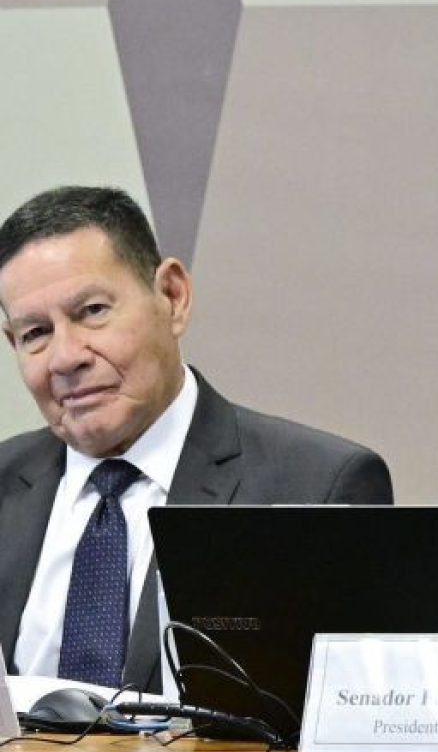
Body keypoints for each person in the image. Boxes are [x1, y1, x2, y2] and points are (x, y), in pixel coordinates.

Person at [0, 186, 393, 692]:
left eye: (93, 311)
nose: (65, 357)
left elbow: (355, 716)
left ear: (172, 296)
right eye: (35, 333)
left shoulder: (317, 486)